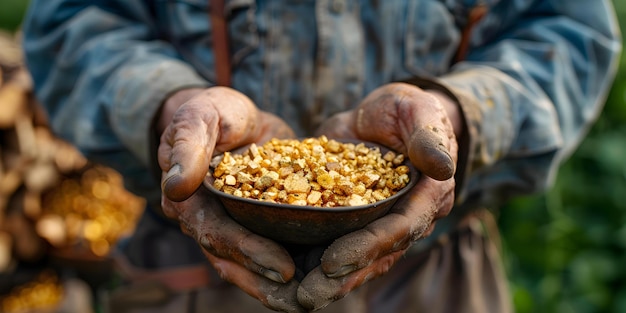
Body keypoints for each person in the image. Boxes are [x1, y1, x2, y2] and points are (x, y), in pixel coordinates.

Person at [21, 1, 621, 312]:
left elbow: (569, 32)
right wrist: (168, 108)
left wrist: (459, 113)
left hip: (432, 281)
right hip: (191, 278)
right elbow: (74, 23)